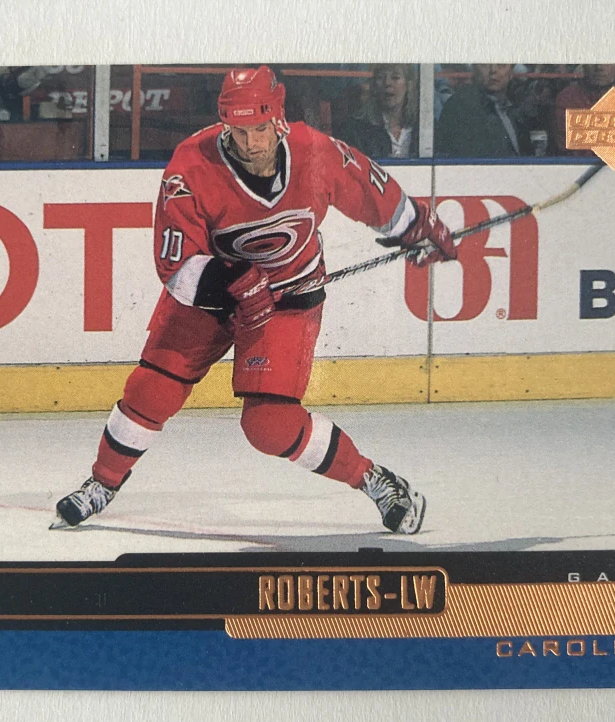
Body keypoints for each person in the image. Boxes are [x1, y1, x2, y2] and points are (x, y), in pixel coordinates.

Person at [53, 66, 456, 535]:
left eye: (261, 129)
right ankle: (102, 483)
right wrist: (236, 282)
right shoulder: (190, 167)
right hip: (211, 296)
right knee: (150, 390)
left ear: (278, 118)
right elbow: (175, 267)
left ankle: (375, 480)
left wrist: (418, 227)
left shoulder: (315, 152)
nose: (251, 144)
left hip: (288, 297)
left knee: (270, 426)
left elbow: (375, 195)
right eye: (239, 132)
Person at [435, 64, 532, 158]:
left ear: (511, 72)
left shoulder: (513, 110)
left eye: (501, 65)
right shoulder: (461, 106)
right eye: (485, 64)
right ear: (474, 69)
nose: (493, 70)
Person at [333, 64, 419, 159]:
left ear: (409, 85)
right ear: (374, 85)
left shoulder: (422, 128)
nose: (387, 83)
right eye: (380, 77)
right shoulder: (355, 130)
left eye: (395, 77)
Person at [552, 64, 615, 154]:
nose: (599, 67)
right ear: (584, 65)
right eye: (593, 62)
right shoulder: (567, 98)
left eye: (607, 62)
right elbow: (568, 144)